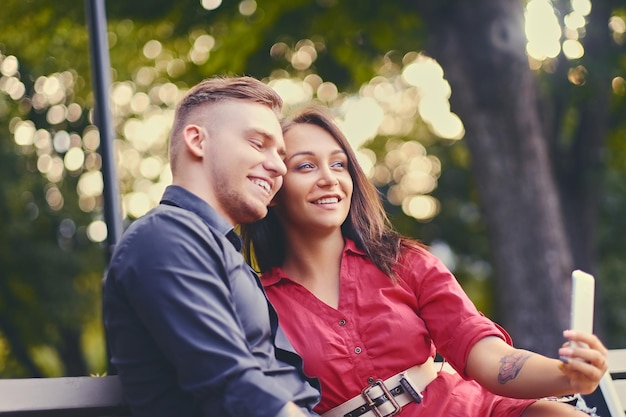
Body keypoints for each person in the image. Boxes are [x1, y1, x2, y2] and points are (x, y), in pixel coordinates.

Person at [240, 106, 609, 417]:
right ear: (272, 189)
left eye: (339, 165)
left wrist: (566, 375)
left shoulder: (404, 262)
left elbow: (487, 355)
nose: (329, 179)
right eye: (306, 167)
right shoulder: (256, 302)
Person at [102, 76, 321, 417]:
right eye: (257, 143)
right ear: (197, 141)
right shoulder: (163, 238)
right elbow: (229, 386)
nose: (279, 165)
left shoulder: (214, 245)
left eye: (280, 154)